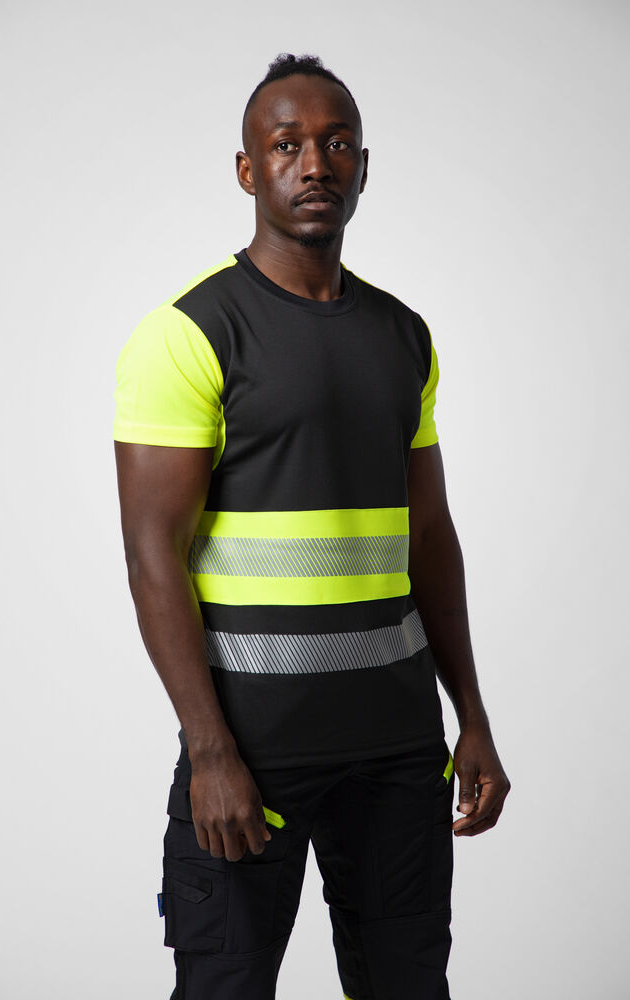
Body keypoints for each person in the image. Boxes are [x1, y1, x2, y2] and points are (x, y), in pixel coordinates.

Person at [113, 52, 510, 1000]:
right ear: (247, 169)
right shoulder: (189, 333)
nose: (314, 165)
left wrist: (472, 717)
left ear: (363, 167)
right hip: (253, 752)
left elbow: (428, 537)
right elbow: (152, 553)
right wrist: (210, 752)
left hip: (398, 749)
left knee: (407, 985)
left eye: (336, 145)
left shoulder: (402, 334)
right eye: (286, 145)